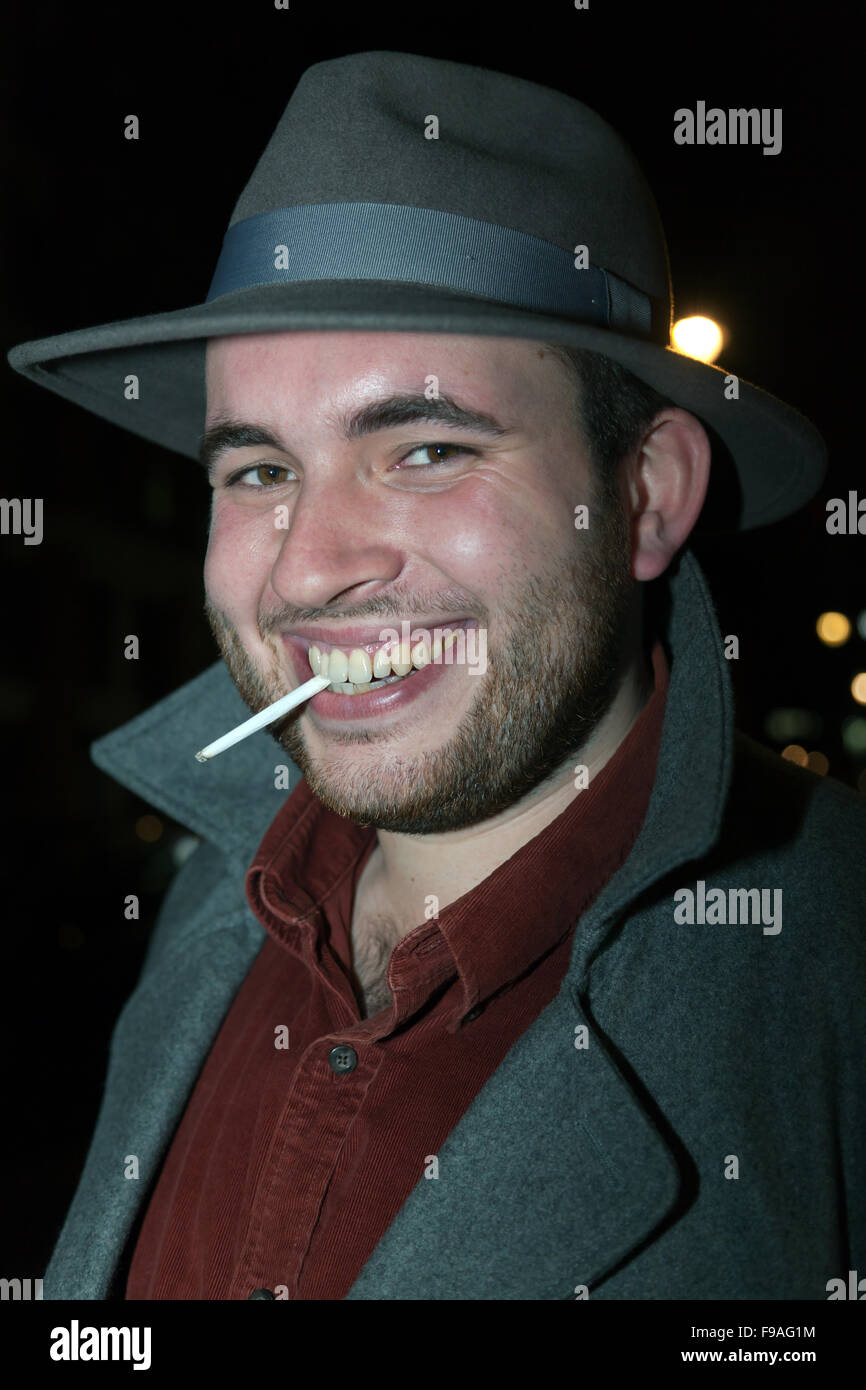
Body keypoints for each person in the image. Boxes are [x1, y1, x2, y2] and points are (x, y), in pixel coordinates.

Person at [9, 50, 864, 1302]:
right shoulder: (210, 902)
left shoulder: (827, 978)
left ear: (642, 494)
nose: (309, 569)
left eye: (422, 448)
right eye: (257, 471)